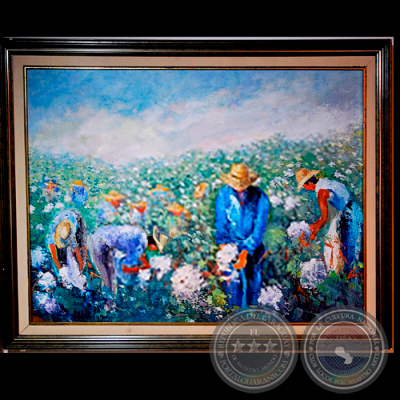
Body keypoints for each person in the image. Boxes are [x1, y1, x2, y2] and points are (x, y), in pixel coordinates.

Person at [215, 163, 269, 308]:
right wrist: (225, 252)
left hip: (253, 249)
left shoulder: (259, 197)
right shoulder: (224, 195)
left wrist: (245, 252)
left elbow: (259, 228)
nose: (238, 186)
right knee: (232, 289)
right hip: (230, 248)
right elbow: (221, 224)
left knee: (251, 287)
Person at [296, 168, 363, 275]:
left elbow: (324, 218)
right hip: (353, 210)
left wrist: (313, 233)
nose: (305, 188)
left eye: (304, 186)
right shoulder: (327, 183)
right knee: (352, 248)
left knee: (351, 250)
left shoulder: (322, 192)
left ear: (309, 183)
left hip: (350, 215)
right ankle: (352, 275)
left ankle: (352, 278)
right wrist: (314, 226)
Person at [47, 209, 89, 289]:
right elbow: (54, 256)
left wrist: (80, 269)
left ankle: (81, 277)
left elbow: (78, 253)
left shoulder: (71, 235)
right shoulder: (52, 238)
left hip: (76, 218)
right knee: (62, 256)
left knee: (81, 244)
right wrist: (60, 269)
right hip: (63, 220)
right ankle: (67, 277)